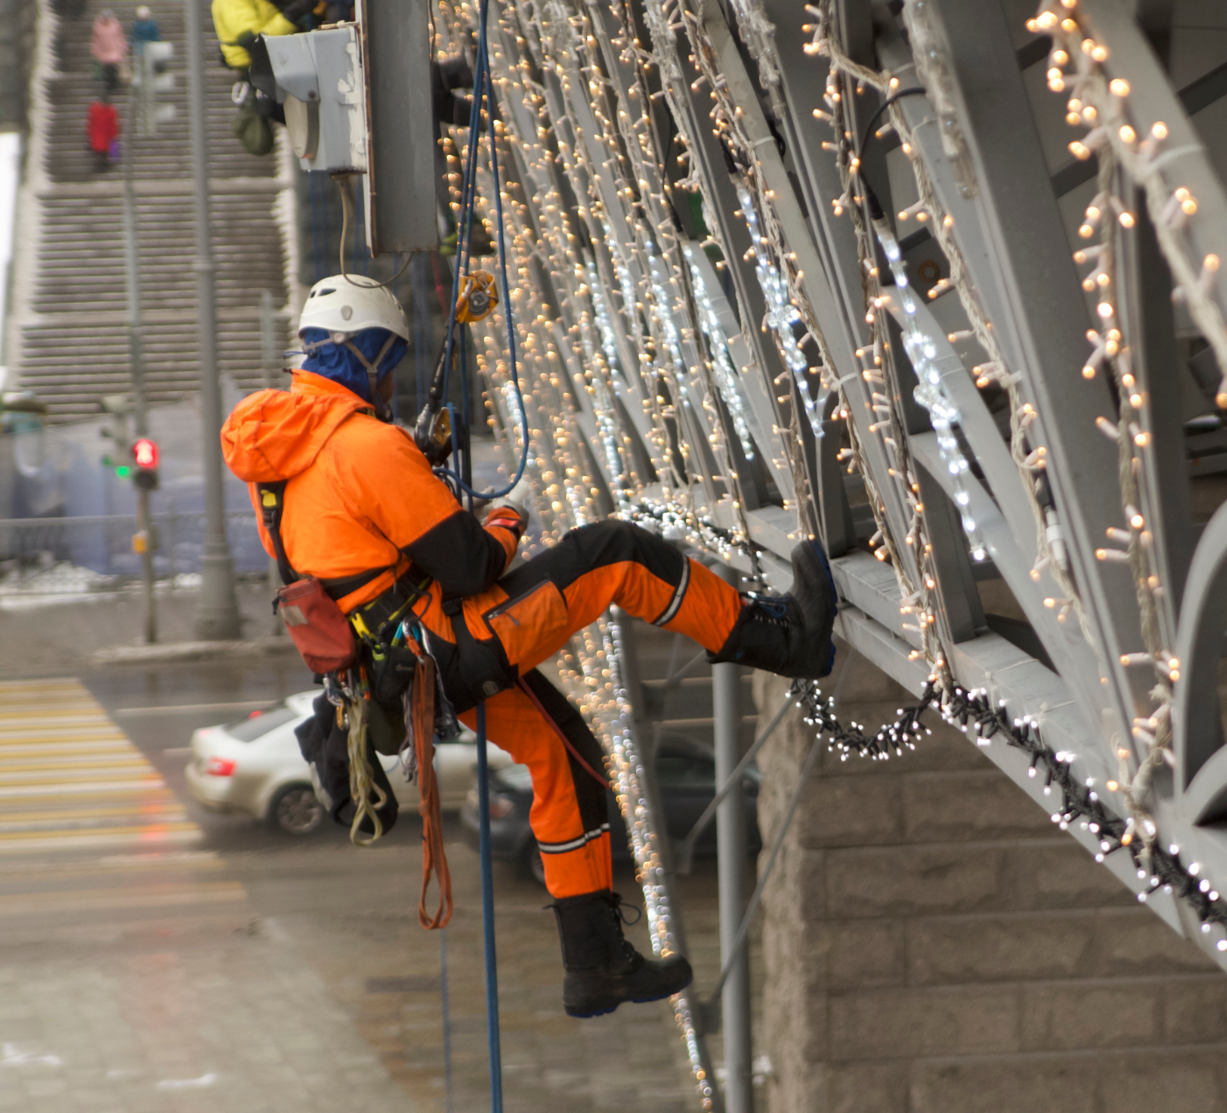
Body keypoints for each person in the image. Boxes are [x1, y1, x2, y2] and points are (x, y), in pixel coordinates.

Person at [220, 275, 838, 1018]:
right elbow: (473, 565)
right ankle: (783, 641)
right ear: (365, 353)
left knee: (565, 758)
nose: (388, 382)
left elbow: (349, 544)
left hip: (399, 662)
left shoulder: (278, 464)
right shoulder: (366, 446)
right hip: (451, 642)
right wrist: (507, 519)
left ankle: (595, 968)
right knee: (617, 554)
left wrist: (415, 467)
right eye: (385, 364)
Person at [211, 0, 313, 74]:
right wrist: (292, 15)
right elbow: (253, 42)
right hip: (260, 73)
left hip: (279, 64)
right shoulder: (232, 2)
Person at [89, 9, 127, 97]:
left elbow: (119, 37)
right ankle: (110, 84)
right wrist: (95, 50)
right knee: (107, 68)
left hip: (114, 49)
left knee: (113, 67)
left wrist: (122, 47)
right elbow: (95, 40)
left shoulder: (115, 25)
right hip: (104, 51)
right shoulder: (98, 27)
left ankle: (114, 83)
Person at [87, 99, 119, 171]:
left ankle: (101, 165)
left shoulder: (95, 108)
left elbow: (91, 122)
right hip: (103, 136)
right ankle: (106, 164)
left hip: (101, 136)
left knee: (100, 151)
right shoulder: (111, 110)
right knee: (106, 150)